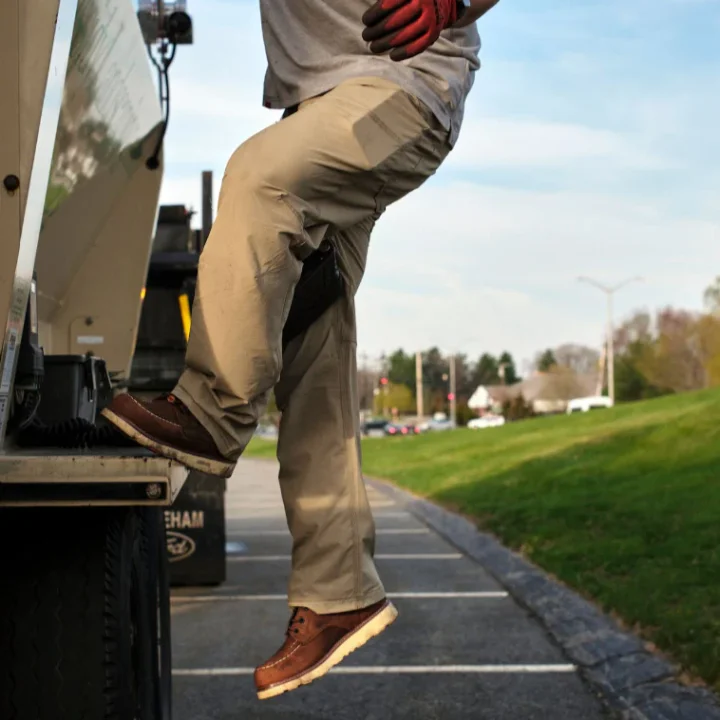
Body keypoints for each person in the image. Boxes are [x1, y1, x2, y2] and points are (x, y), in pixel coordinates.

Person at [103, 0, 499, 701]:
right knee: (316, 337)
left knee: (259, 177)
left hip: (404, 91)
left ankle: (215, 411)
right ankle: (339, 591)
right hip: (326, 106)